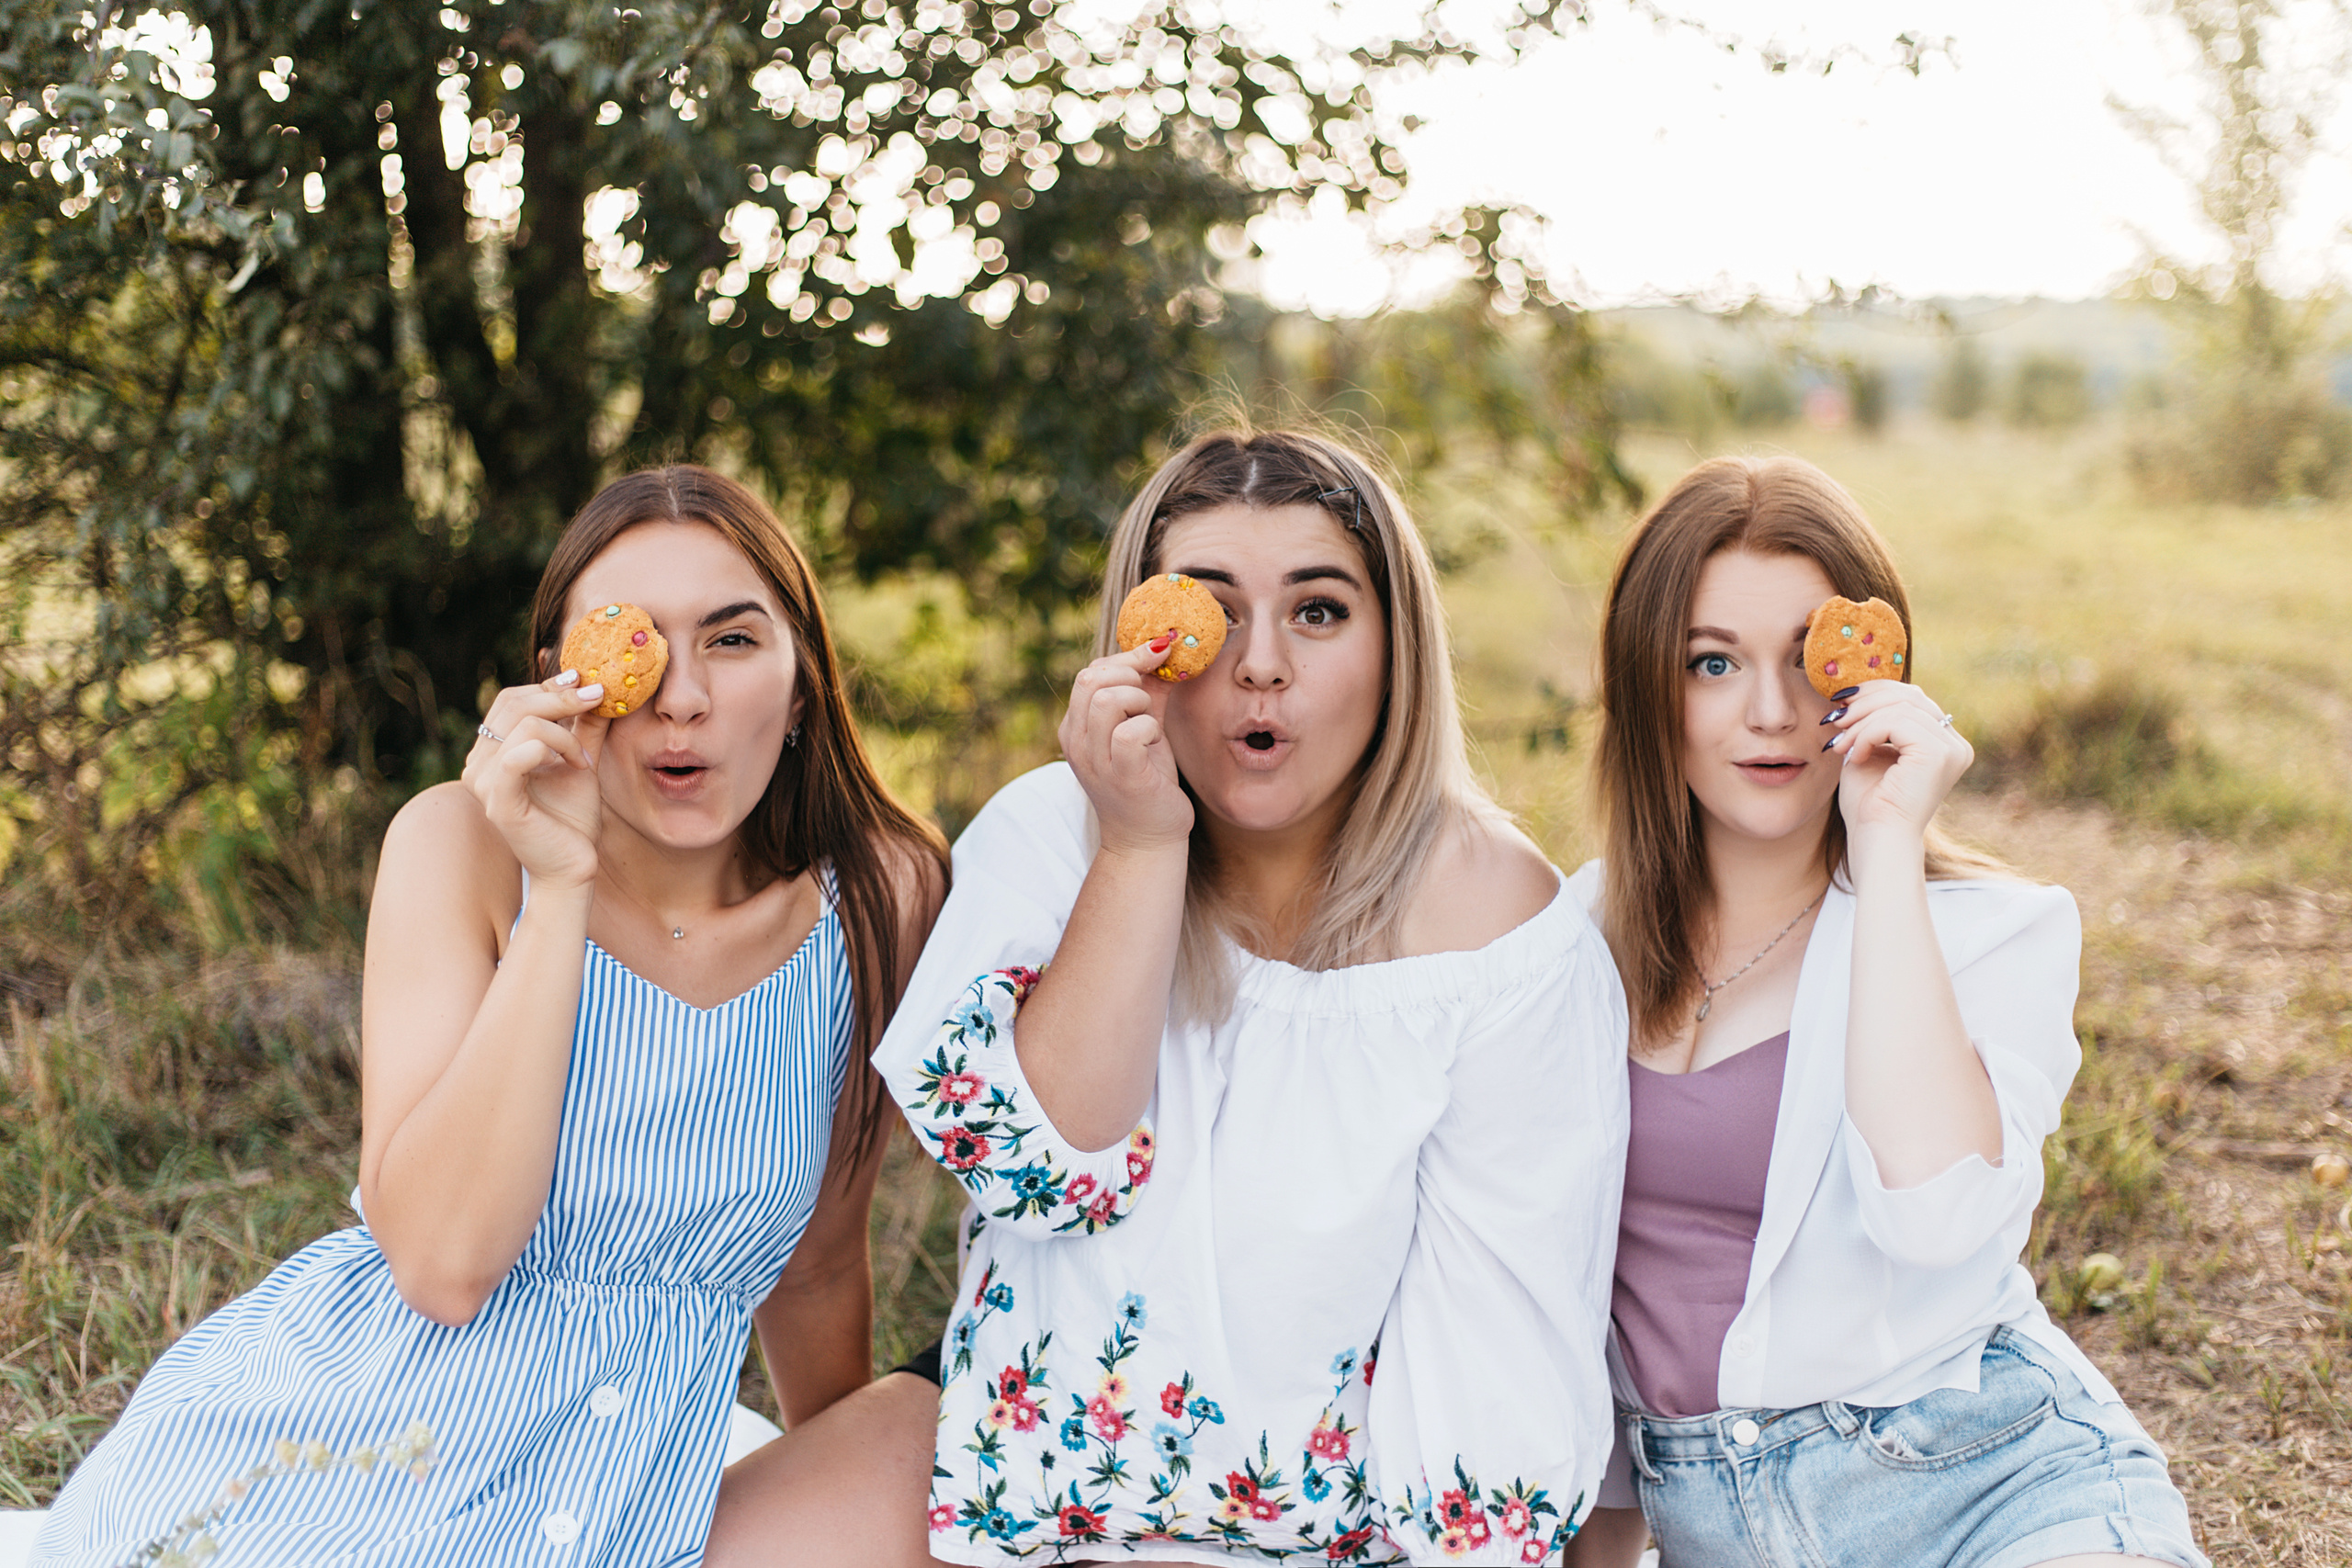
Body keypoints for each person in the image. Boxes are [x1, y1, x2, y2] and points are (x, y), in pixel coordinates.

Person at [704, 426, 1629, 1567]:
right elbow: (1039, 1176)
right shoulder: (1053, 835)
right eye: (1213, 609)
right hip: (1021, 1473)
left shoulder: (1498, 930)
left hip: (1321, 1530)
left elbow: (1500, 1336)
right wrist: (1140, 847)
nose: (1260, 664)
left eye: (1320, 610)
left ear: (1397, 647)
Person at [31, 466, 947, 1567]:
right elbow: (442, 1264)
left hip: (626, 1502)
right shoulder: (456, 846)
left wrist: (839, 1489)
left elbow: (817, 1265)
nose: (681, 696)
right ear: (562, 684)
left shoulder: (880, 897)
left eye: (733, 639)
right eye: (633, 644)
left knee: (928, 1444)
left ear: (802, 689)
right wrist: (555, 887)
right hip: (353, 1469)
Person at [1561, 457, 2206, 1568]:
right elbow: (1567, 1307)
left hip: (1995, 1487)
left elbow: (1939, 1217)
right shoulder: (1569, 946)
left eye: (1806, 660)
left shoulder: (1990, 931)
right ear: (1645, 688)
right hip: (1717, 1528)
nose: (1771, 712)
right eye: (1711, 662)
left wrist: (1889, 841)